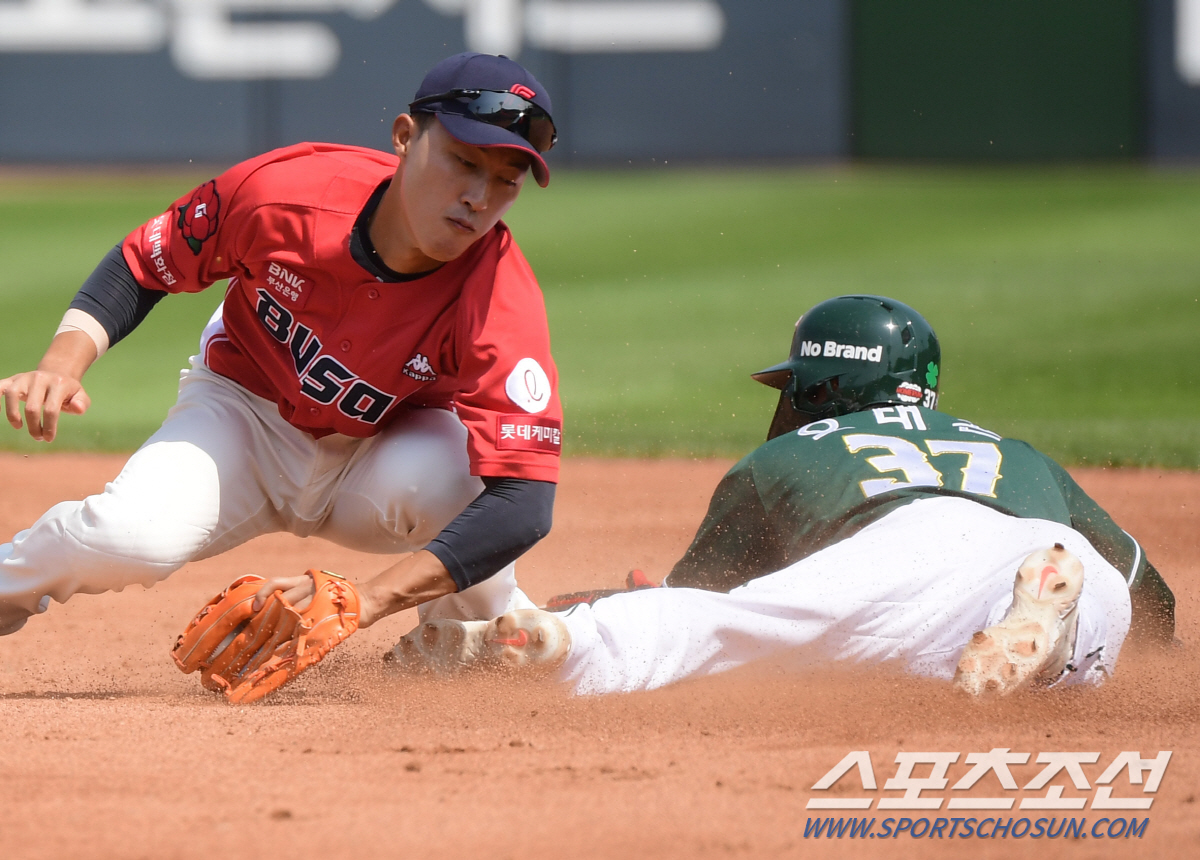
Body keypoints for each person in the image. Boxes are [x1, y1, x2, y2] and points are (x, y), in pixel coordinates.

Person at [0, 53, 565, 638]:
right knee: (126, 538)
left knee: (464, 485)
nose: (478, 197)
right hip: (240, 418)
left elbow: (523, 500)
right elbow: (145, 262)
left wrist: (366, 600)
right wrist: (62, 363)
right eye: (463, 162)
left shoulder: (499, 293)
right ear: (404, 137)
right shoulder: (286, 194)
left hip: (383, 453)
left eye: (506, 180)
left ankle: (467, 639)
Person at [388, 295, 1176, 696]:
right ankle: (1056, 638)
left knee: (716, 635)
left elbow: (703, 602)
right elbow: (1155, 598)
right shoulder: (1015, 451)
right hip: (1047, 553)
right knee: (1094, 612)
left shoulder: (788, 456)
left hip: (902, 555)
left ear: (826, 388)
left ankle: (563, 644)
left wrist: (612, 603)